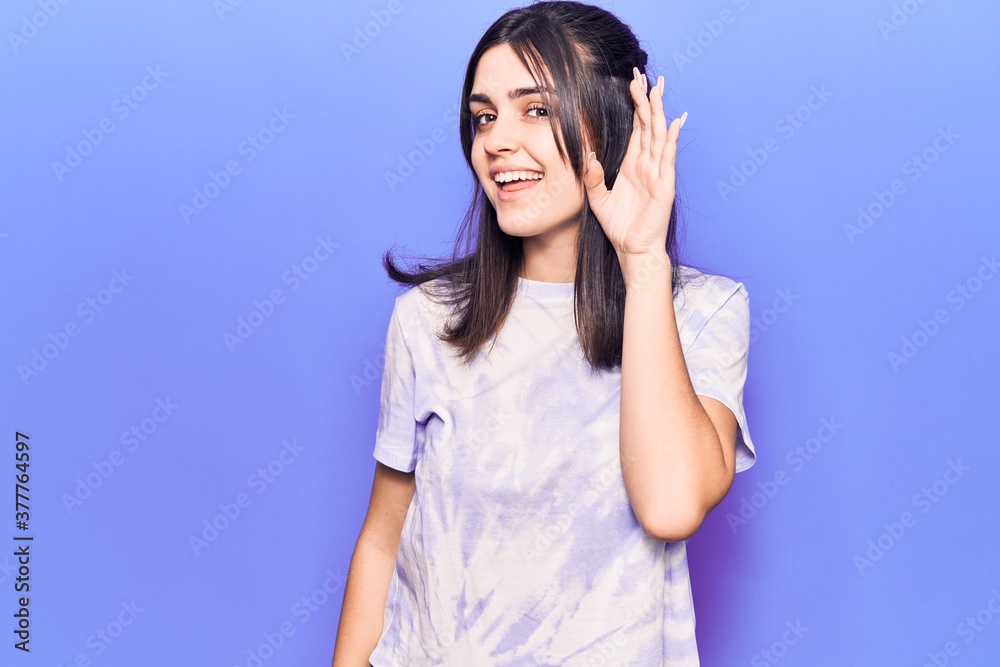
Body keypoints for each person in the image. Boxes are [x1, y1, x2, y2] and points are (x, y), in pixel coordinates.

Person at [332, 1, 756, 665]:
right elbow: (384, 540)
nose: (496, 140)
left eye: (535, 108)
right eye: (483, 116)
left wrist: (643, 265)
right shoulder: (426, 320)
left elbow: (671, 504)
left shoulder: (705, 310)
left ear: (612, 124)